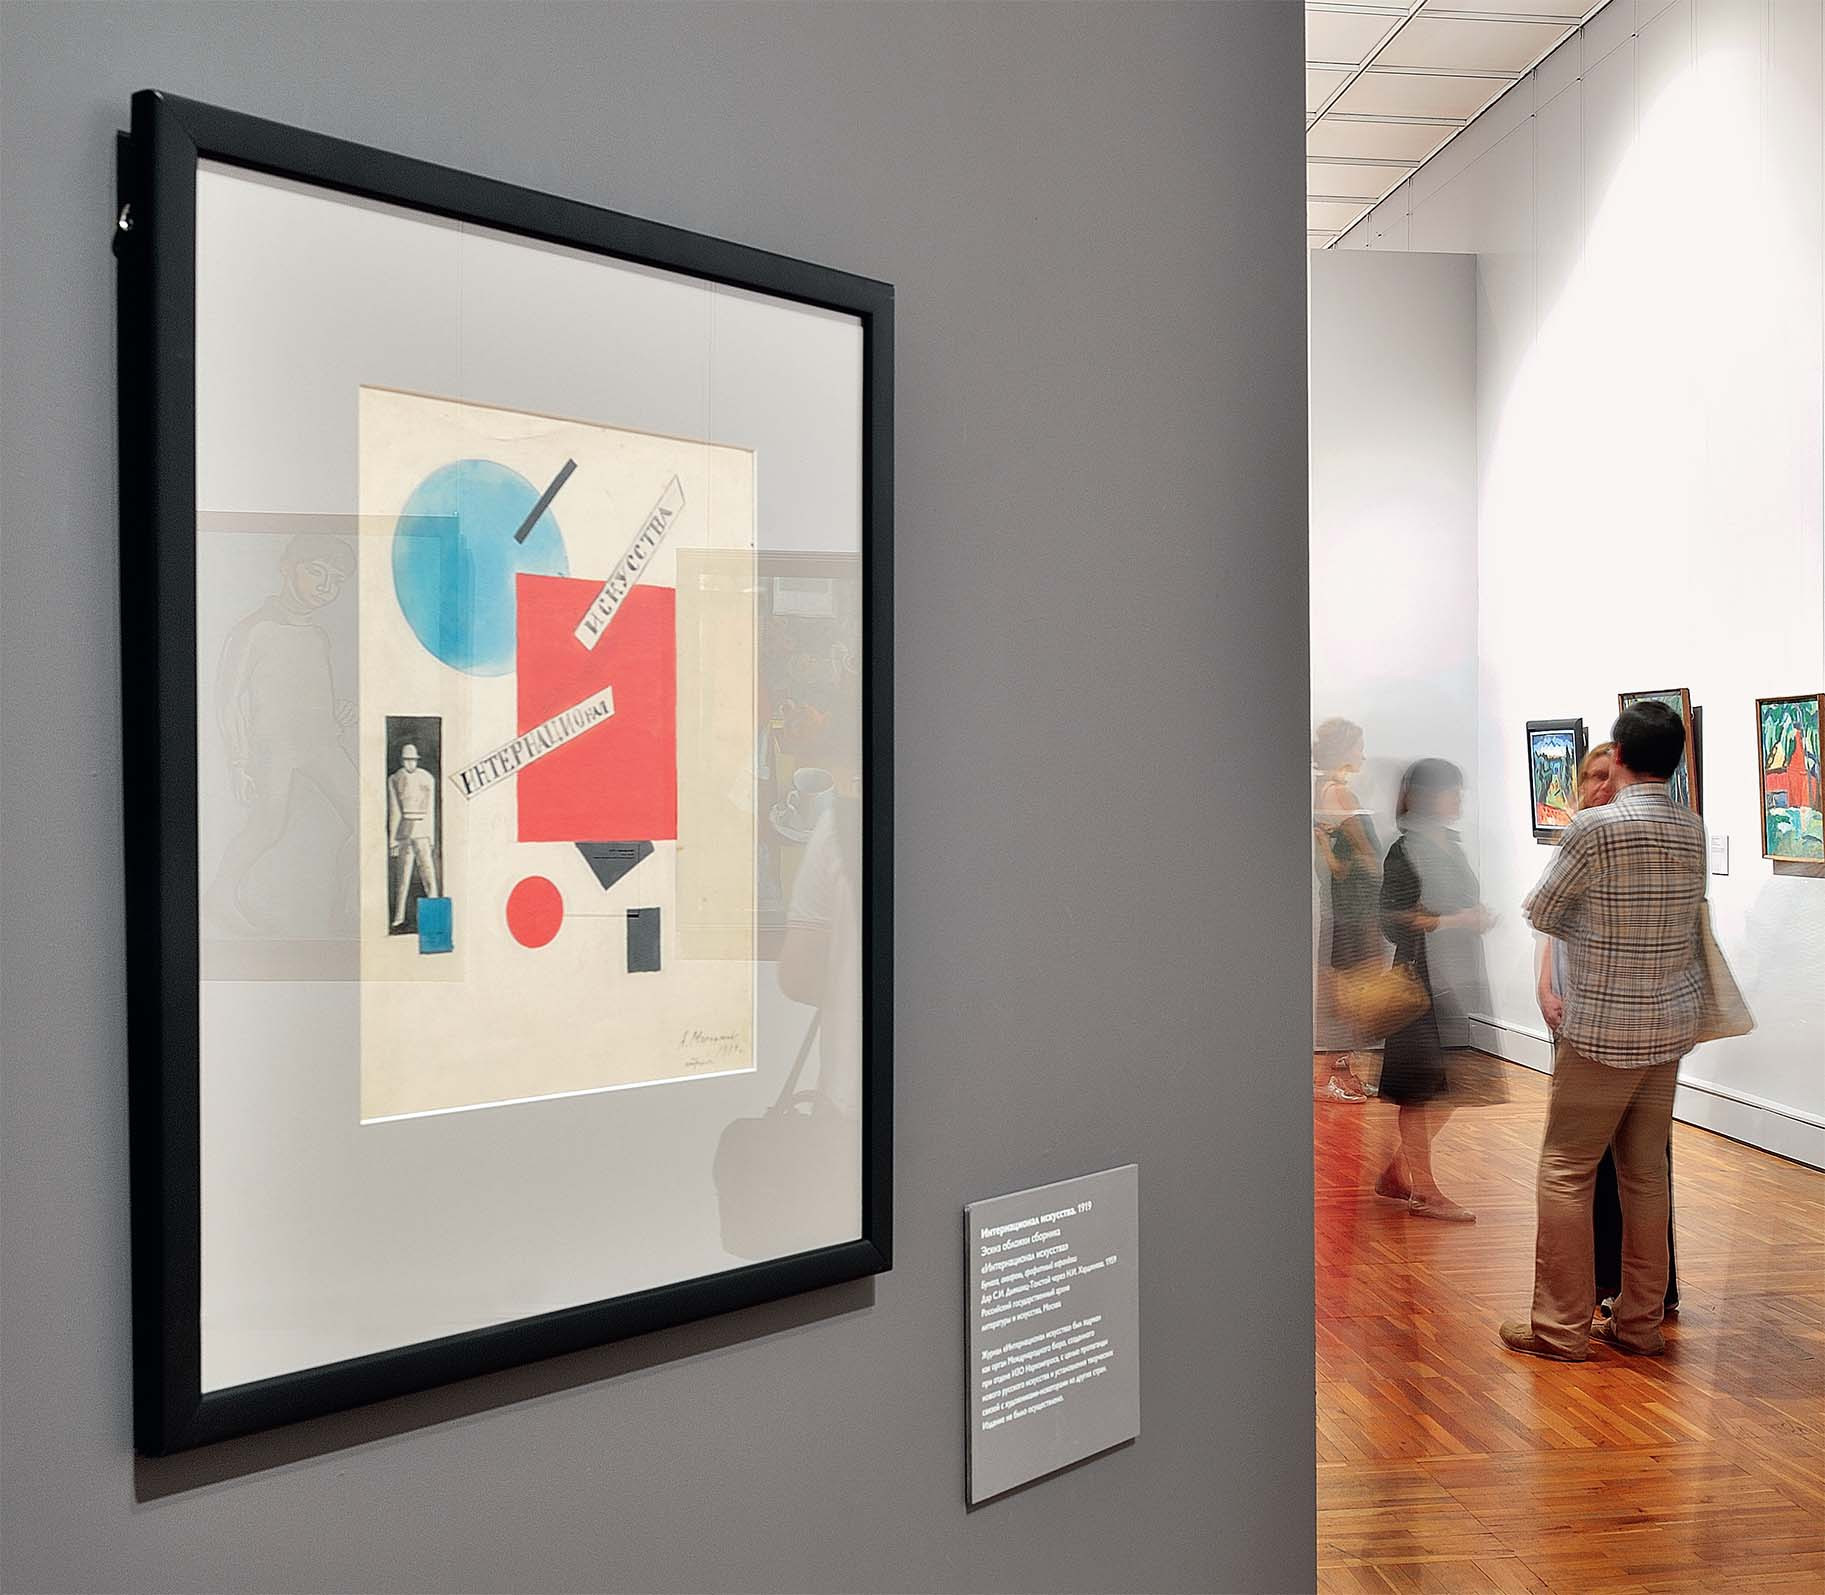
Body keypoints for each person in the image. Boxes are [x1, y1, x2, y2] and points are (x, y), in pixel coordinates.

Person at [1502, 700, 1705, 1361]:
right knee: (1644, 1174)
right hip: (1666, 1028)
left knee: (1566, 1168)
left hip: (1600, 1030)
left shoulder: (1593, 829)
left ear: (1617, 756)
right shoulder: (1691, 828)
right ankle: (1640, 1324)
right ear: (1676, 760)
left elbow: (1542, 910)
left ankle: (1559, 1328)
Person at [204, 533, 358, 933]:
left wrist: (336, 712)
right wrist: (238, 763)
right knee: (268, 826)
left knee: (367, 817)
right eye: (317, 572)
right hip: (275, 748)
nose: (326, 586)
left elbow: (311, 694)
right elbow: (227, 700)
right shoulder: (254, 630)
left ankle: (351, 905)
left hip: (322, 744)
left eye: (337, 580)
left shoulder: (318, 635)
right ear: (287, 568)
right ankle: (220, 895)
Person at [1372, 758, 1498, 1221]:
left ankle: (1398, 1173)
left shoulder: (1450, 846)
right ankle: (1423, 1192)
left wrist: (1474, 916)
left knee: (1450, 1085)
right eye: (1452, 791)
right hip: (1419, 984)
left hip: (1452, 980)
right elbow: (1392, 920)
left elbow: (1456, 902)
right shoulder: (1404, 851)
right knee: (1420, 1090)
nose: (1459, 799)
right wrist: (1455, 920)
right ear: (1428, 795)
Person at [1312, 718, 1380, 1102]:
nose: (1363, 755)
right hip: (1354, 911)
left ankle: (1341, 1073)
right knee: (1351, 993)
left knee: (1348, 991)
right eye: (1358, 747)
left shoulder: (1325, 790)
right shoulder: (1339, 794)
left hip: (1345, 908)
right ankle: (1327, 1077)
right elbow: (1366, 857)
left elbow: (1337, 864)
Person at [388, 743, 439, 927]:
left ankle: (434, 914)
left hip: (422, 830)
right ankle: (399, 916)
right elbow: (394, 810)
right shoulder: (395, 778)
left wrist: (431, 837)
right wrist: (393, 840)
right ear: (402, 760)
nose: (410, 763)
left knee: (428, 873)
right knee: (402, 876)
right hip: (404, 831)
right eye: (406, 760)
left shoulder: (427, 778)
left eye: (412, 760)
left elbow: (430, 809)